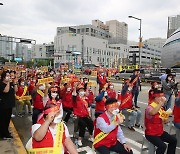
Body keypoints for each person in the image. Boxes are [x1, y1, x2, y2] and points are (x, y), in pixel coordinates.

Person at [145, 89, 177, 154]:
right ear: (155, 97)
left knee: (173, 140)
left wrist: (166, 118)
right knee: (162, 146)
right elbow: (152, 112)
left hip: (159, 132)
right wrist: (161, 103)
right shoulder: (149, 107)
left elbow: (164, 120)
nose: (161, 98)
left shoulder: (161, 108)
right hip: (150, 133)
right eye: (159, 97)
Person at [0, 71, 18, 139]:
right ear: (3, 77)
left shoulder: (10, 83)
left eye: (9, 76)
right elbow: (6, 90)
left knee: (7, 120)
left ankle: (6, 132)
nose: (8, 77)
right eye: (7, 75)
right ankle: (3, 134)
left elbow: (16, 90)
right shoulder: (1, 84)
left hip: (10, 104)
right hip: (3, 105)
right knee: (3, 120)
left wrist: (15, 83)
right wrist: (8, 82)